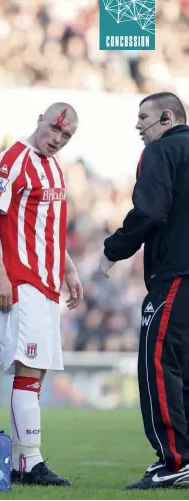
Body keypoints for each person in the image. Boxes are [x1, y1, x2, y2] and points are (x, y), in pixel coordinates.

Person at [0, 103, 83, 486]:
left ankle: (23, 464)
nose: (58, 139)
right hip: (23, 282)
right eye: (55, 129)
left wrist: (68, 269)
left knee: (34, 375)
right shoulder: (14, 158)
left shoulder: (53, 166)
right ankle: (30, 463)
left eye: (66, 135)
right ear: (40, 120)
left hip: (48, 285)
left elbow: (47, 227)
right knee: (28, 370)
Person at [99, 92, 189, 489]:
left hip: (176, 275)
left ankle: (174, 462)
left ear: (167, 117)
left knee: (157, 362)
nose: (138, 125)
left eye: (144, 117)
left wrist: (114, 249)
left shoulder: (161, 151)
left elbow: (150, 211)